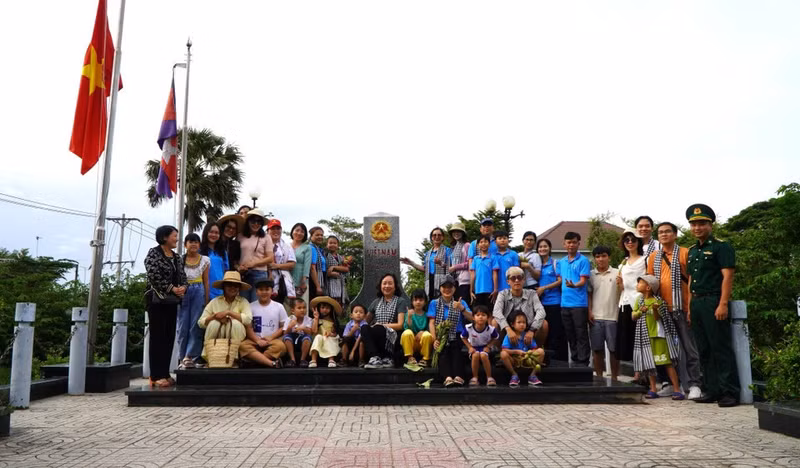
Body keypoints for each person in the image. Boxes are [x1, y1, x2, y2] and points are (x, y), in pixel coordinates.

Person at [686, 203, 739, 407]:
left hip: (713, 300)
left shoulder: (721, 246)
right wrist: (690, 307)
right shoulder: (692, 251)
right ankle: (711, 389)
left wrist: (723, 303)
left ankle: (729, 391)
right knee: (704, 348)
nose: (697, 228)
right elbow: (691, 280)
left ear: (710, 225)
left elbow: (728, 277)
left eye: (702, 223)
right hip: (697, 302)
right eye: (694, 224)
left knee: (720, 347)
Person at [648, 221, 702, 400]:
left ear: (675, 234)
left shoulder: (686, 253)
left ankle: (695, 384)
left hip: (683, 307)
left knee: (689, 347)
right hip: (661, 309)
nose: (664, 234)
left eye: (667, 231)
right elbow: (650, 283)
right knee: (665, 348)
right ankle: (670, 383)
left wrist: (691, 308)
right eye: (661, 232)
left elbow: (694, 281)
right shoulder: (654, 257)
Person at [144, 225, 187, 387]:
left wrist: (183, 288)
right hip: (156, 302)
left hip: (172, 302)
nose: (177, 238)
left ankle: (164, 373)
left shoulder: (177, 257)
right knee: (157, 338)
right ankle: (155, 375)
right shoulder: (153, 254)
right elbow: (153, 274)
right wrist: (172, 288)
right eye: (174, 236)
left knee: (169, 337)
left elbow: (182, 276)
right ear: (164, 237)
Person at [632, 275, 684, 400]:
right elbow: (633, 316)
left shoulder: (658, 301)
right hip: (645, 336)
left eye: (640, 283)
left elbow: (658, 318)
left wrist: (655, 309)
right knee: (650, 364)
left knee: (667, 362)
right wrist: (641, 311)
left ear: (648, 287)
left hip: (658, 335)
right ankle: (653, 389)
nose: (637, 285)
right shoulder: (639, 300)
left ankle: (677, 389)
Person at [197, 271, 253, 364]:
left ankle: (234, 357)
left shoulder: (243, 301)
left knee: (235, 324)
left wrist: (228, 313)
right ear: (224, 287)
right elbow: (201, 323)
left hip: (236, 336)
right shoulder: (214, 302)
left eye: (235, 286)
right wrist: (215, 317)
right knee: (214, 323)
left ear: (239, 288)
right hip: (217, 337)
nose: (232, 288)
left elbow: (248, 320)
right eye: (229, 285)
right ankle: (211, 356)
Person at [429, 277, 473, 387]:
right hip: (441, 335)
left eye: (450, 287)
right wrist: (435, 339)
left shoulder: (460, 302)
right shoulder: (434, 303)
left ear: (454, 289)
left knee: (456, 349)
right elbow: (431, 323)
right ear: (440, 288)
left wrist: (462, 308)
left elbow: (473, 318)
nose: (447, 289)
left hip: (458, 335)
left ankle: (459, 376)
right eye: (444, 287)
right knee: (442, 351)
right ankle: (447, 377)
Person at [556, 232, 591, 367]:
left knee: (581, 333)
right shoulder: (561, 262)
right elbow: (559, 280)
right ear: (564, 244)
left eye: (574, 242)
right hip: (564, 303)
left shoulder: (583, 261)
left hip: (579, 304)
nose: (571, 245)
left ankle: (583, 362)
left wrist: (574, 285)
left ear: (578, 244)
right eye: (568, 242)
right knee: (570, 334)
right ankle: (575, 360)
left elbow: (583, 281)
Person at [493, 266, 548, 351]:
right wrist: (508, 329)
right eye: (513, 278)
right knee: (494, 322)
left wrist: (532, 330)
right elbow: (496, 312)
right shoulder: (502, 294)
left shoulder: (532, 294)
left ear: (523, 280)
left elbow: (541, 311)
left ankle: (537, 351)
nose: (516, 281)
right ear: (508, 281)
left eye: (519, 278)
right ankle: (502, 352)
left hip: (527, 326)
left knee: (544, 324)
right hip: (508, 327)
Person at [177, 233, 210, 369]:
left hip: (199, 289)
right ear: (185, 245)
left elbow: (206, 280)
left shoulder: (205, 260)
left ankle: (191, 356)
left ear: (199, 244)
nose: (193, 244)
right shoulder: (179, 259)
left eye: (196, 242)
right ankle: (181, 356)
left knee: (195, 324)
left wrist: (207, 299)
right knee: (182, 324)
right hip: (183, 290)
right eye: (190, 242)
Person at [587, 246, 620, 380]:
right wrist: (589, 311)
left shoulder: (618, 273)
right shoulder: (590, 275)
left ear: (609, 257)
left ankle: (615, 378)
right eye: (598, 256)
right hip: (596, 316)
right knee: (597, 349)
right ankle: (599, 377)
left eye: (604, 256)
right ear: (594, 259)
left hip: (613, 316)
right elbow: (588, 295)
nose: (601, 259)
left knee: (614, 350)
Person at [363, 273, 408, 369]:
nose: (387, 286)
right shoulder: (376, 302)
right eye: (384, 283)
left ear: (395, 286)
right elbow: (366, 321)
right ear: (380, 286)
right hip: (378, 333)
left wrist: (382, 325)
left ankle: (388, 357)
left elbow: (400, 325)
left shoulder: (400, 301)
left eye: (390, 283)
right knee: (364, 327)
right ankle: (375, 358)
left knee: (379, 328)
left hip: (394, 336)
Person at [239, 279, 287, 368]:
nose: (264, 292)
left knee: (281, 347)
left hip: (272, 340)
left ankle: (255, 361)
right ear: (256, 292)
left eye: (267, 289)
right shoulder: (250, 306)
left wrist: (271, 337)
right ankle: (270, 363)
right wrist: (257, 340)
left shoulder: (279, 307)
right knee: (242, 346)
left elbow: (283, 327)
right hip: (254, 341)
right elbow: (248, 327)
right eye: (261, 290)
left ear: (272, 291)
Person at [616, 229, 646, 372]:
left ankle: (645, 373)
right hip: (625, 303)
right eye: (626, 240)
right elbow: (622, 287)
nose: (630, 243)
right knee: (629, 340)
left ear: (638, 242)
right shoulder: (623, 262)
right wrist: (620, 283)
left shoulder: (644, 259)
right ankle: (636, 373)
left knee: (641, 339)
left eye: (633, 240)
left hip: (640, 302)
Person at [536, 238, 567, 362]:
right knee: (543, 331)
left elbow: (560, 281)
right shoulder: (536, 265)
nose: (542, 249)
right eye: (540, 247)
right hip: (540, 303)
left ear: (549, 248)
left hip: (554, 302)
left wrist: (544, 288)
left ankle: (557, 360)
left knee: (555, 331)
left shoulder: (555, 263)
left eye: (545, 246)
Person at [401, 227, 451, 300]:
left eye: (439, 235)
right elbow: (425, 269)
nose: (437, 237)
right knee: (430, 301)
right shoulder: (428, 253)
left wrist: (440, 263)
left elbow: (451, 268)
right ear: (431, 238)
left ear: (443, 237)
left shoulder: (447, 250)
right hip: (429, 280)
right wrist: (411, 263)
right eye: (434, 235)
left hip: (442, 281)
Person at [237, 209, 275, 301]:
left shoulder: (266, 237)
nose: (256, 224)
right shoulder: (240, 236)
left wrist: (254, 263)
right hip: (243, 274)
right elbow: (235, 256)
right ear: (248, 222)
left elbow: (270, 258)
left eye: (259, 222)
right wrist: (238, 267)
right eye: (253, 221)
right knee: (243, 302)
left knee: (257, 303)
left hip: (260, 273)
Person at [500, 310, 544, 387]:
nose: (522, 325)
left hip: (527, 359)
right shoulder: (509, 336)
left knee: (541, 351)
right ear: (512, 324)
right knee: (503, 354)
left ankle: (532, 376)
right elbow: (504, 350)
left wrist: (530, 352)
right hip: (514, 360)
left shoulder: (527, 335)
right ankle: (514, 375)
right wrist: (516, 352)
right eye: (519, 322)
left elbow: (534, 348)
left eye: (524, 322)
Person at [461, 305, 499, 386]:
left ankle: (489, 377)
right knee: (475, 355)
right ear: (473, 317)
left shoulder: (491, 329)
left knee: (483, 355)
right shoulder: (469, 328)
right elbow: (463, 337)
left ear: (488, 317)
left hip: (485, 347)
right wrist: (470, 347)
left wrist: (489, 346)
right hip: (474, 347)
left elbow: (496, 338)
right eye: (478, 315)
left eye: (483, 315)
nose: (480, 317)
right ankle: (475, 377)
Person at [400, 289, 434, 367]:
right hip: (412, 343)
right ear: (412, 302)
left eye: (421, 300)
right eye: (415, 300)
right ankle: (410, 357)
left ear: (425, 302)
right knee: (407, 333)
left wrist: (422, 332)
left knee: (427, 335)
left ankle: (425, 359)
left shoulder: (427, 315)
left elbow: (429, 329)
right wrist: (409, 317)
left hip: (422, 343)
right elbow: (407, 328)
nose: (418, 302)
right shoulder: (409, 314)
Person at [266, 219, 296, 303]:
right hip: (264, 279)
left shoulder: (287, 246)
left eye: (278, 229)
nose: (276, 231)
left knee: (279, 305)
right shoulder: (262, 243)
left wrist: (276, 266)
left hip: (281, 281)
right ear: (268, 231)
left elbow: (292, 264)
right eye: (273, 229)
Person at [309, 296, 342, 368]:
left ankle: (331, 359)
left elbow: (335, 334)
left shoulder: (333, 321)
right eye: (322, 307)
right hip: (319, 338)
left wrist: (330, 334)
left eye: (327, 308)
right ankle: (313, 360)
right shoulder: (316, 320)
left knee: (329, 339)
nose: (325, 310)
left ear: (331, 309)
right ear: (319, 308)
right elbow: (314, 331)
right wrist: (316, 319)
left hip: (330, 338)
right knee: (318, 337)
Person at [200, 222, 229, 300]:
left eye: (216, 233)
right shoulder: (199, 251)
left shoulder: (222, 252)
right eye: (211, 232)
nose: (214, 235)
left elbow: (226, 271)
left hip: (219, 291)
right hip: (202, 291)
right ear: (206, 233)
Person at [282, 297, 313, 367]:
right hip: (292, 341)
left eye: (304, 308)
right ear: (293, 310)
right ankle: (292, 359)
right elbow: (284, 333)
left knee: (307, 338)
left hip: (303, 340)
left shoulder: (308, 319)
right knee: (287, 337)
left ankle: (303, 359)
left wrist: (303, 328)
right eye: (299, 308)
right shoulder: (289, 319)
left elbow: (310, 333)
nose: (302, 310)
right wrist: (290, 327)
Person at [470, 235, 499, 307]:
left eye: (485, 242)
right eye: (481, 242)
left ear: (489, 244)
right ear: (477, 245)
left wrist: (495, 289)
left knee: (489, 312)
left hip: (490, 290)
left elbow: (494, 274)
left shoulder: (493, 258)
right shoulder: (476, 259)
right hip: (477, 290)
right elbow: (473, 275)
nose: (483, 244)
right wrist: (471, 290)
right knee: (478, 311)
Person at [446, 222, 471, 302]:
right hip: (455, 279)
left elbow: (469, 263)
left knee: (464, 303)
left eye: (458, 231)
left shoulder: (467, 245)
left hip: (465, 280)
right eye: (454, 231)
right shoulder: (454, 247)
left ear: (463, 233)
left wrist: (455, 267)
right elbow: (451, 264)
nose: (456, 233)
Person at [325, 236, 350, 310]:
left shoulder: (341, 258)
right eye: (330, 243)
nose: (332, 244)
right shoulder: (325, 256)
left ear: (338, 245)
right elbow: (327, 271)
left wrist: (333, 267)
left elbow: (346, 269)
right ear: (327, 245)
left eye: (335, 243)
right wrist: (331, 272)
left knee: (340, 305)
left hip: (340, 284)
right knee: (331, 303)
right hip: (330, 285)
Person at [290, 223, 312, 305]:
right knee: (287, 306)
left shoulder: (307, 247)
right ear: (292, 231)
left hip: (301, 281)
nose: (299, 233)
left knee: (300, 306)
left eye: (302, 231)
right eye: (297, 230)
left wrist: (304, 281)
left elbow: (307, 265)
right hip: (287, 280)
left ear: (305, 234)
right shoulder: (286, 246)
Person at [308, 226, 327, 301]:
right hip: (314, 281)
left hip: (321, 278)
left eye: (321, 235)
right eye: (317, 235)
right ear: (311, 236)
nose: (320, 237)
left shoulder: (319, 249)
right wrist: (318, 286)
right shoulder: (311, 248)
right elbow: (312, 268)